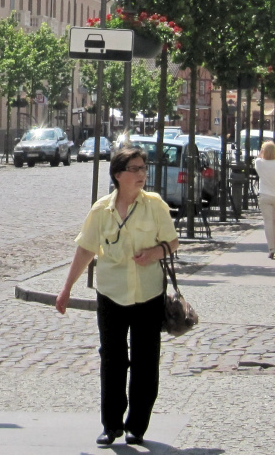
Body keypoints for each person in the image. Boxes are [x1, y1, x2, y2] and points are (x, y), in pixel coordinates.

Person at [56, 146, 179, 447]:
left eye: (143, 168)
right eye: (135, 169)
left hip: (148, 292)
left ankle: (137, 425)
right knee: (111, 358)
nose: (141, 174)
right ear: (118, 175)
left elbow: (172, 243)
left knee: (145, 359)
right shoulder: (100, 211)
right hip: (111, 292)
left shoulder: (155, 205)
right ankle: (111, 425)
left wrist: (154, 252)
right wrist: (67, 288)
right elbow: (85, 249)